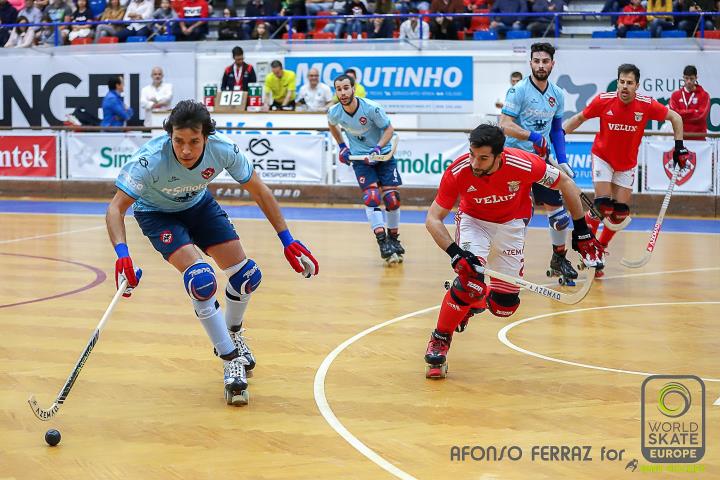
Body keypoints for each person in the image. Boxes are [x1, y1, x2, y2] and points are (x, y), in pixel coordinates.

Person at [105, 100, 319, 405]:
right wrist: (122, 254)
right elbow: (115, 209)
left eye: (194, 141)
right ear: (170, 137)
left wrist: (287, 240)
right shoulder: (150, 159)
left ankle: (233, 333)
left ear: (207, 137)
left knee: (247, 275)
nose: (186, 150)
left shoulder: (223, 148)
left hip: (199, 206)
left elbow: (260, 190)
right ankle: (230, 358)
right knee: (201, 280)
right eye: (178, 141)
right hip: (157, 213)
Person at [423, 124, 604, 378]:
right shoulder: (459, 170)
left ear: (499, 155)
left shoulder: (522, 164)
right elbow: (433, 219)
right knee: (468, 281)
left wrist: (582, 230)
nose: (475, 162)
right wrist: (455, 253)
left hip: (511, 225)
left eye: (483, 158)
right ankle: (440, 339)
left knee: (504, 307)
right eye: (473, 154)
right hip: (474, 223)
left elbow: (565, 182)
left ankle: (467, 303)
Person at [563, 64, 689, 276]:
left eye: (629, 83)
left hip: (626, 164)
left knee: (619, 214)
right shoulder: (604, 100)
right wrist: (557, 139)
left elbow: (676, 117)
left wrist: (679, 146)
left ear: (637, 85)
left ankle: (601, 249)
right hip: (603, 157)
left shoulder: (646, 105)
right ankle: (588, 248)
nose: (624, 86)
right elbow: (579, 118)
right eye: (622, 81)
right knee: (603, 207)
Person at [499, 43, 576, 285]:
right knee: (518, 217)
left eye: (545, 61)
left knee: (559, 215)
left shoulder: (558, 94)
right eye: (536, 61)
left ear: (552, 63)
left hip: (542, 162)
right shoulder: (518, 91)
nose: (540, 65)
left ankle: (559, 258)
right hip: (515, 161)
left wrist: (562, 160)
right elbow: (504, 124)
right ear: (530, 63)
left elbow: (556, 129)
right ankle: (507, 263)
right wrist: (532, 137)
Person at [327, 73, 404, 264]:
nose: (343, 93)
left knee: (392, 199)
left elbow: (389, 129)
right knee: (371, 198)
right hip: (361, 159)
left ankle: (394, 240)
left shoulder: (372, 108)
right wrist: (342, 146)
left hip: (383, 155)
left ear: (353, 89)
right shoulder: (334, 111)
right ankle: (382, 242)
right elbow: (331, 124)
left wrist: (377, 148)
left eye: (346, 88)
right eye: (339, 89)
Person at [669, 65, 710, 141]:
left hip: (698, 138)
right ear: (683, 77)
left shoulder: (704, 95)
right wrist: (693, 111)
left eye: (691, 78)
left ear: (696, 78)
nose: (689, 81)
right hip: (679, 138)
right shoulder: (675, 95)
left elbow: (701, 116)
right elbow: (673, 115)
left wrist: (681, 114)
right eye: (686, 78)